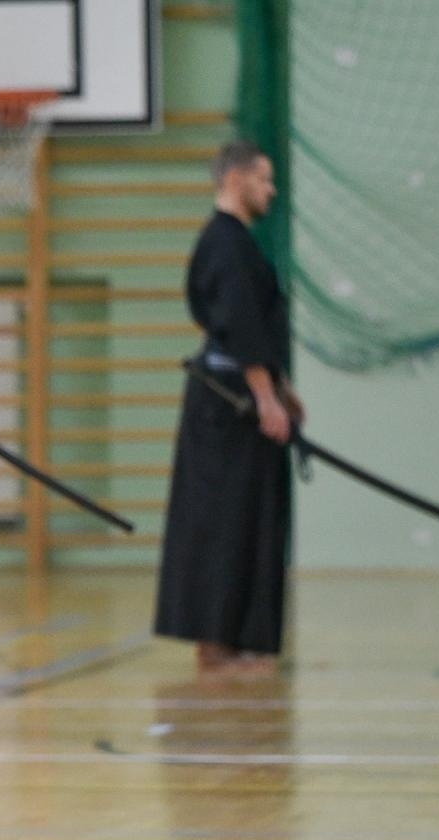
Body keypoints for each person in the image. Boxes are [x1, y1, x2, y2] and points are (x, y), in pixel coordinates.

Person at [155, 141, 304, 674]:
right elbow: (239, 328)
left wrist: (282, 390)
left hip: (243, 398)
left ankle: (238, 639)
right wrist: (267, 398)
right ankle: (215, 644)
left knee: (249, 518)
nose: (272, 190)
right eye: (265, 180)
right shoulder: (224, 244)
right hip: (228, 405)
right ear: (238, 180)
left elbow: (258, 328)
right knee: (222, 519)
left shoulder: (239, 243)